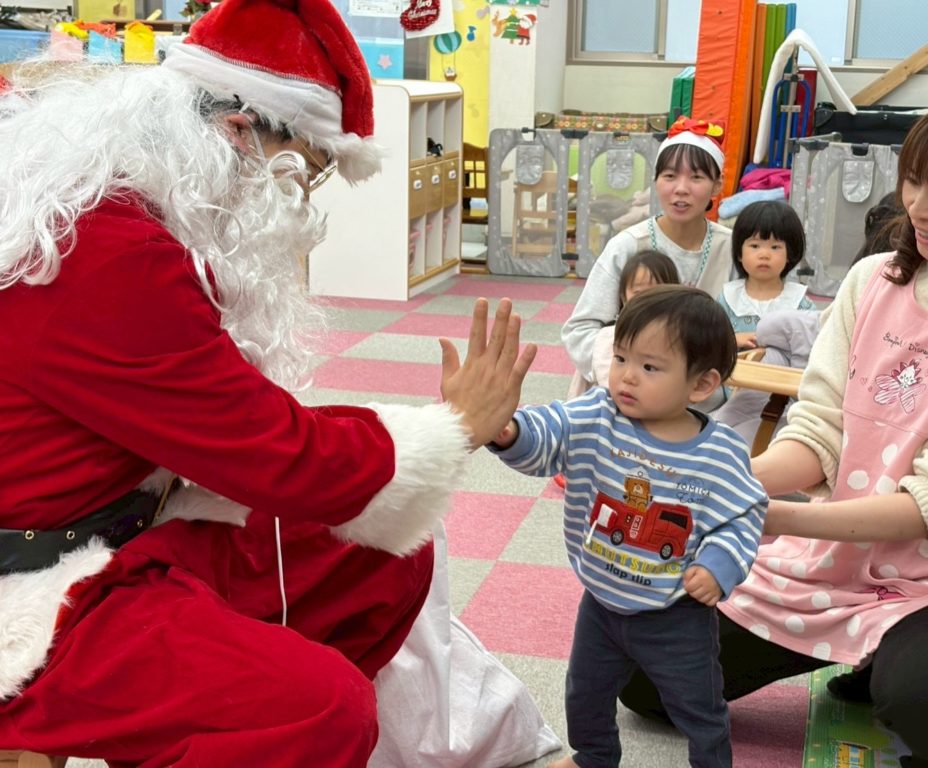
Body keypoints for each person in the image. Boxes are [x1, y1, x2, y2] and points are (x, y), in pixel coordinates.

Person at [0, 0, 536, 765]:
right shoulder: (117, 255)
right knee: (319, 707)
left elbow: (230, 418)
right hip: (37, 582)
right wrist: (454, 429)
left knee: (386, 555)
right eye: (301, 176)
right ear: (238, 132)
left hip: (110, 516)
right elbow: (272, 454)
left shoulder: (111, 209)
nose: (302, 209)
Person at [620, 43, 928, 768]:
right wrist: (725, 483)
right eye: (913, 181)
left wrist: (772, 517)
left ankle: (906, 662)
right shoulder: (873, 281)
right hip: (836, 560)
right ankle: (876, 655)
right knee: (638, 672)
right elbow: (818, 430)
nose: (917, 207)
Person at [491, 286, 768, 768]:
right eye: (621, 357)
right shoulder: (598, 415)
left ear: (701, 384)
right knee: (585, 692)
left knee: (698, 706)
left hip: (675, 614)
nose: (627, 376)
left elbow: (743, 514)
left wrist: (717, 565)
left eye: (650, 367)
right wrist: (509, 430)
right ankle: (593, 756)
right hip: (601, 603)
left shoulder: (720, 453)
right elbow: (550, 430)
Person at [562, 117, 733, 387]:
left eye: (696, 177)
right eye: (670, 176)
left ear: (717, 184)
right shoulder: (628, 245)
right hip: (629, 390)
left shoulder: (733, 248)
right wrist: (625, 377)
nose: (681, 189)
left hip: (703, 390)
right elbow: (580, 331)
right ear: (655, 181)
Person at [566, 249, 681, 397]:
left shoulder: (677, 338)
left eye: (657, 294)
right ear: (624, 298)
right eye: (639, 294)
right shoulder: (610, 338)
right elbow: (609, 384)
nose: (648, 301)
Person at [716, 199, 815, 350]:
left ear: (789, 254)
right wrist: (732, 340)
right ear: (739, 253)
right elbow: (710, 340)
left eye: (775, 247)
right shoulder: (728, 298)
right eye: (755, 246)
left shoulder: (800, 303)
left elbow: (816, 342)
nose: (764, 255)